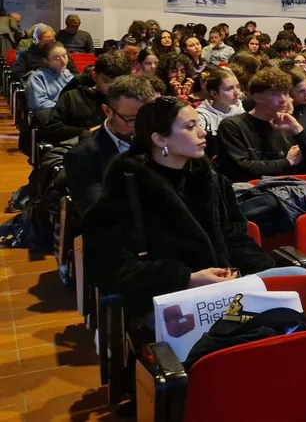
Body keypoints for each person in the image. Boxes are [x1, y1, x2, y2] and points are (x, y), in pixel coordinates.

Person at [81, 96, 274, 314]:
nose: (203, 133)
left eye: (199, 124)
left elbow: (236, 237)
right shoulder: (127, 188)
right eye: (190, 127)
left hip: (227, 294)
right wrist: (185, 279)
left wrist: (259, 273)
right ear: (160, 139)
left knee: (287, 311)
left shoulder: (211, 179)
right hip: (170, 305)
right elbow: (107, 266)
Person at [65, 76, 158, 216]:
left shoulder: (161, 139)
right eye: (132, 120)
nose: (141, 126)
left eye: (146, 117)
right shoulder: (82, 156)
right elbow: (98, 216)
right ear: (107, 111)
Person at [216, 68, 306, 182]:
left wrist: (298, 130)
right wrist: (286, 162)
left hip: (292, 191)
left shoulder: (288, 125)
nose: (284, 100)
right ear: (258, 97)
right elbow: (241, 169)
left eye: (285, 93)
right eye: (275, 94)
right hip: (252, 193)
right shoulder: (232, 126)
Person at [40, 50, 132, 145]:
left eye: (118, 82)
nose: (112, 87)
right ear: (95, 76)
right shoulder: (73, 97)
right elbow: (52, 129)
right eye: (106, 81)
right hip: (81, 150)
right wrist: (87, 132)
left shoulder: (130, 100)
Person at [10, 26, 79, 79]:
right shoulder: (25, 54)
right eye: (46, 41)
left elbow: (75, 73)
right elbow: (16, 74)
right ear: (36, 40)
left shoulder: (60, 53)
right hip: (37, 84)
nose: (49, 44)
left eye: (52, 40)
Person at [27, 43, 74, 111]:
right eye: (57, 58)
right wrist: (66, 108)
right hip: (50, 114)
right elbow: (39, 103)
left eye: (64, 56)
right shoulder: (37, 78)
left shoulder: (68, 74)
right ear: (46, 60)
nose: (63, 61)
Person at [196, 68, 243, 135]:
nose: (237, 93)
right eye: (229, 89)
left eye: (238, 87)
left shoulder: (241, 111)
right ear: (214, 94)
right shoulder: (202, 117)